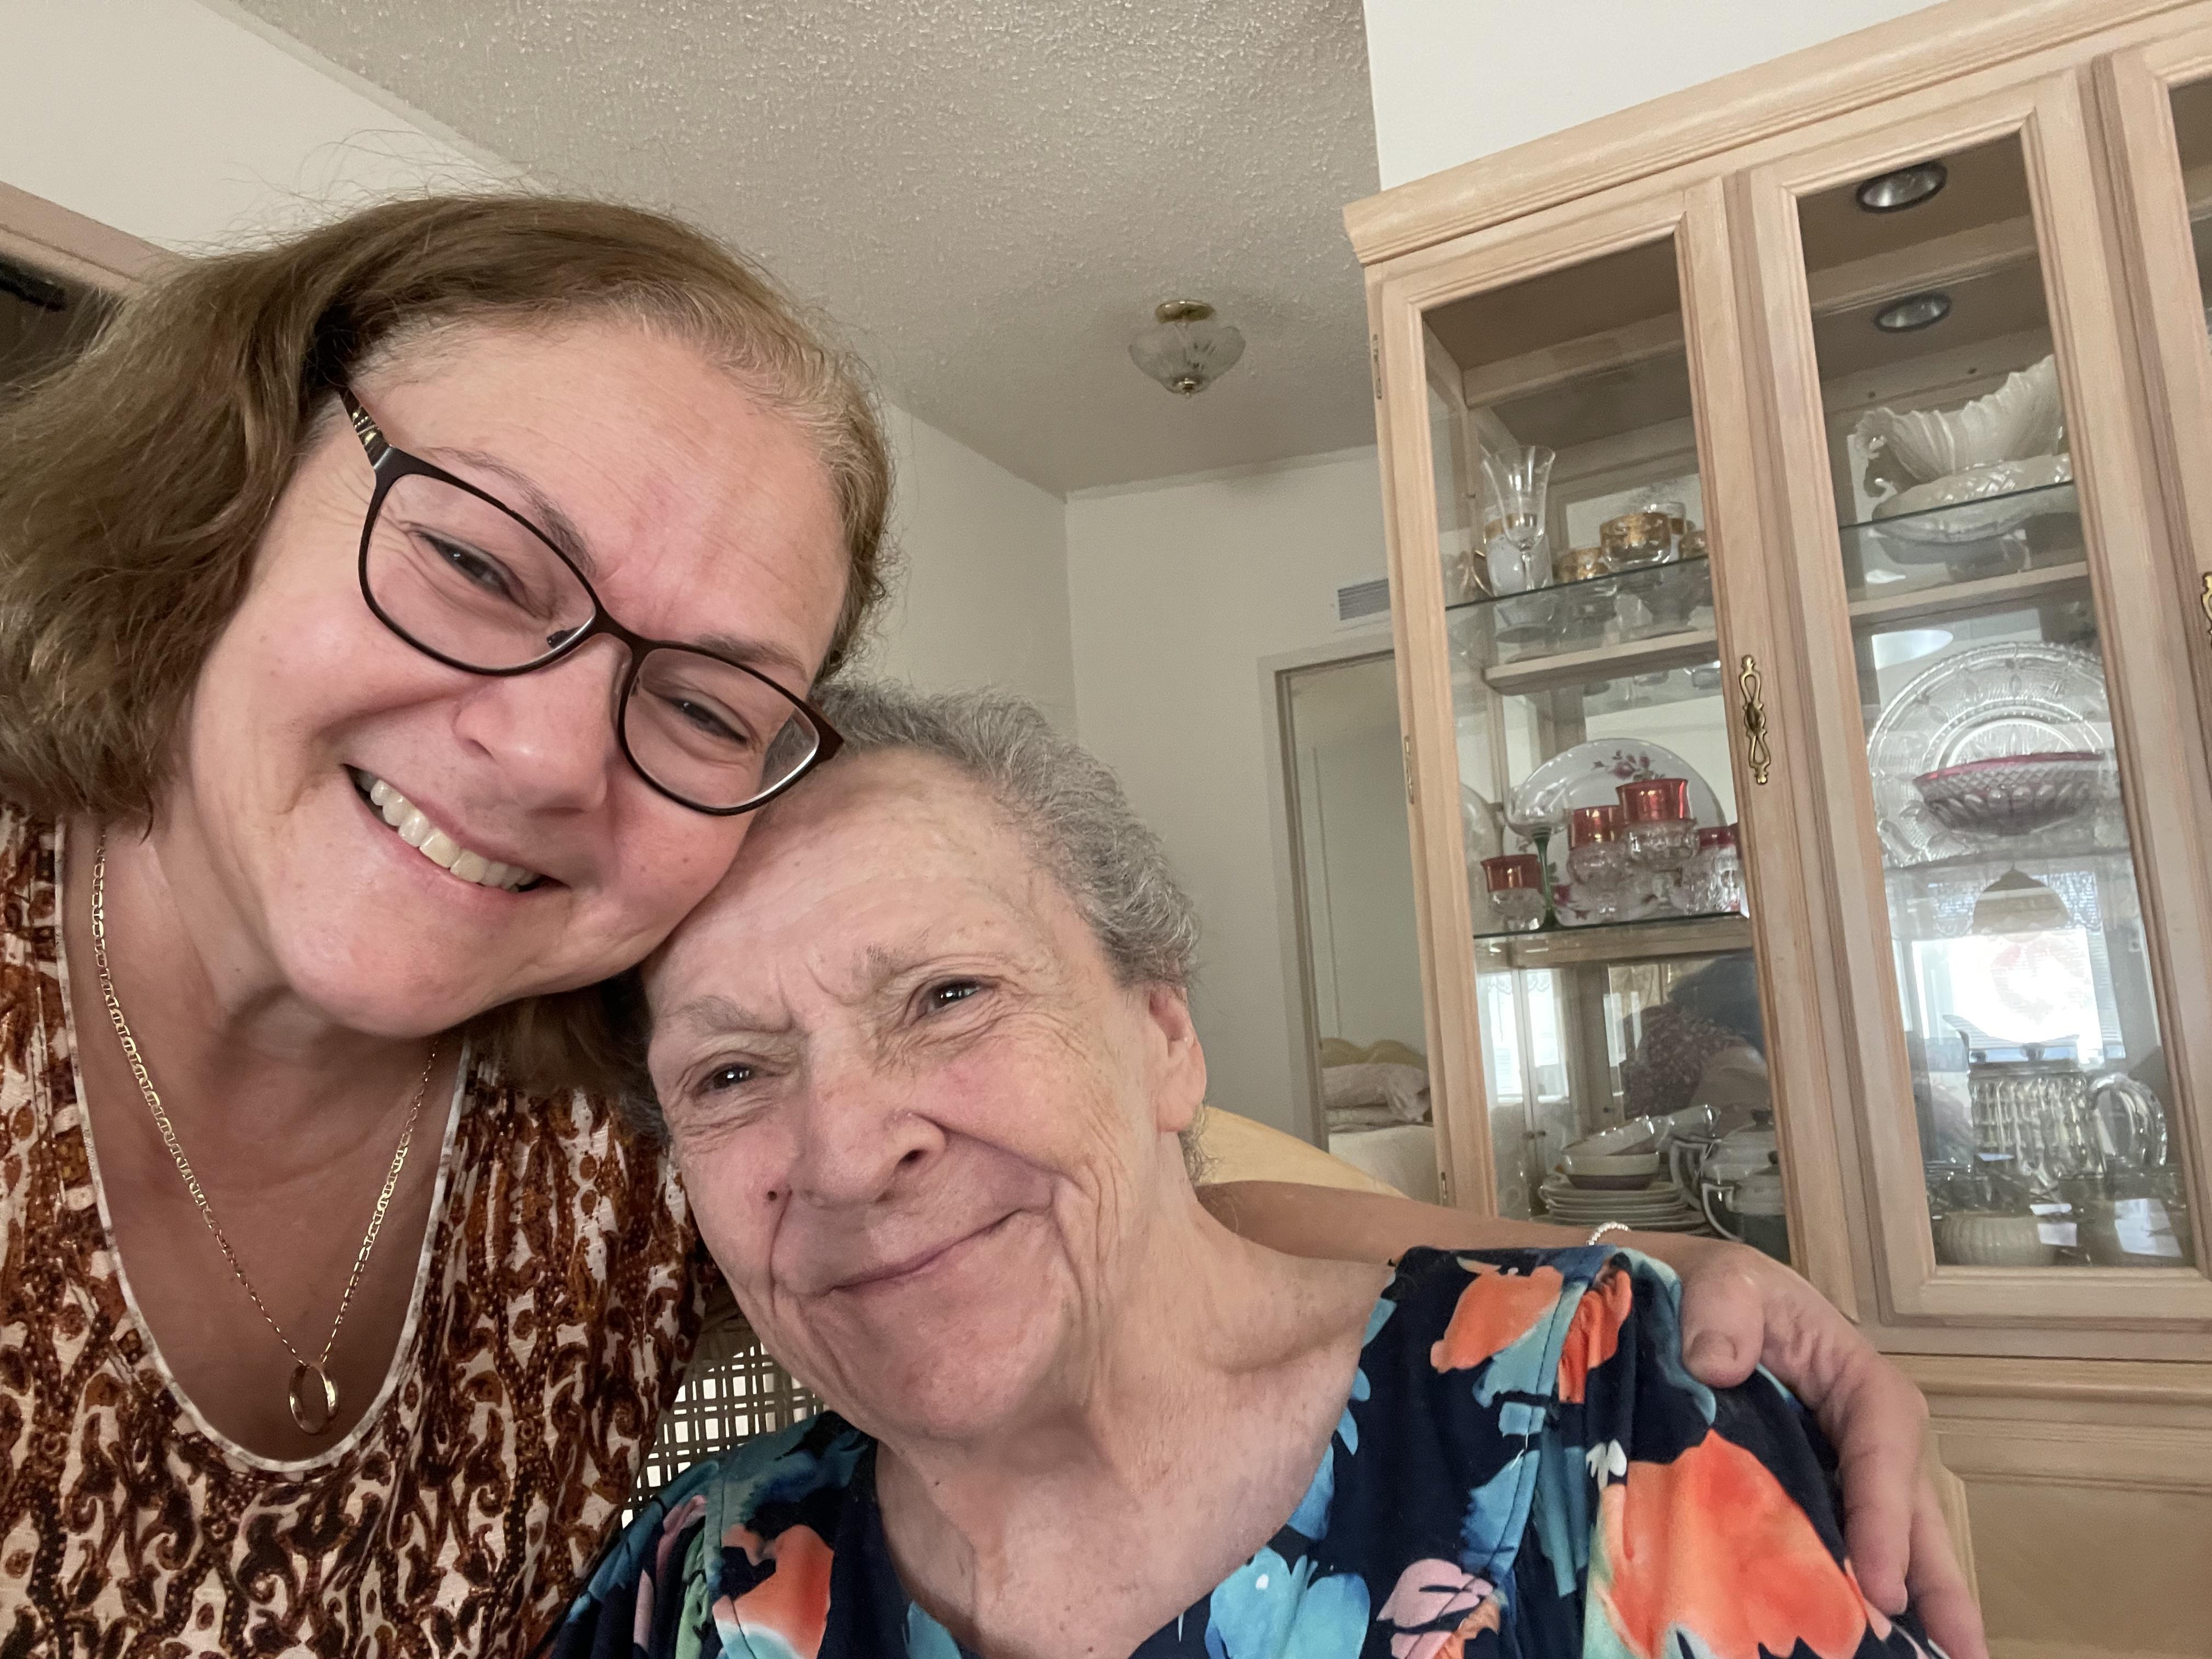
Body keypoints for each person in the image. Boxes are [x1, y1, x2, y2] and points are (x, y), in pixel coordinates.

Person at [0, 192, 1978, 1658]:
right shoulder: (712, 1560)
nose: (534, 754)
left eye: (699, 702)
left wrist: (1645, 1281)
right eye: (467, 557)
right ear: (228, 480)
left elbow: (1153, 1189)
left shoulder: (572, 1091)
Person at [556, 684, 1939, 1659]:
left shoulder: (1614, 1425)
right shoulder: (696, 1585)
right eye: (729, 1075)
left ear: (1166, 1038)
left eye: (945, 996)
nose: (850, 1153)